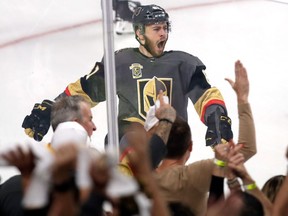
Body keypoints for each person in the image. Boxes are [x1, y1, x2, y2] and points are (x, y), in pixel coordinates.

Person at [22, 4, 233, 151]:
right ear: (139, 34)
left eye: (165, 28)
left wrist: (216, 117)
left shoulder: (183, 63)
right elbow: (84, 93)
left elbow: (207, 95)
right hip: (129, 149)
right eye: (156, 29)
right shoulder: (120, 62)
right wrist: (54, 110)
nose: (163, 34)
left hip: (171, 147)